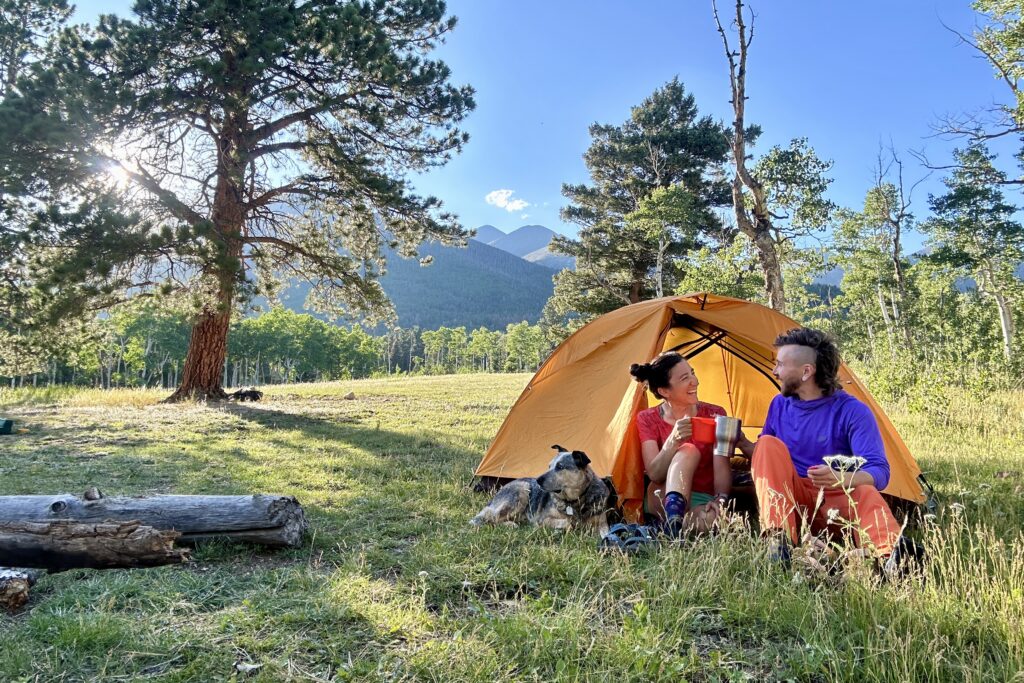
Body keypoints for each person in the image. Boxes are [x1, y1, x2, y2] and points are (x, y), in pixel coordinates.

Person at [752, 327, 901, 565]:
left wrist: (842, 477)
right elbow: (766, 462)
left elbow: (881, 473)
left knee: (866, 491)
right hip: (795, 506)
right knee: (767, 444)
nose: (774, 371)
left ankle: (889, 558)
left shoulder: (853, 411)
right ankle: (778, 543)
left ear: (806, 372)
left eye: (780, 364)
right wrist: (738, 443)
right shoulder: (779, 404)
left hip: (836, 506)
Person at [630, 352, 754, 535]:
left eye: (692, 373)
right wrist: (673, 441)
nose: (695, 381)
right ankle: (673, 520)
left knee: (712, 521)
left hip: (702, 497)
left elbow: (721, 464)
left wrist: (720, 500)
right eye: (684, 378)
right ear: (664, 391)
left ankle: (673, 530)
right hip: (663, 494)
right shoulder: (647, 418)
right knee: (688, 450)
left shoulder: (715, 414)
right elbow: (654, 473)